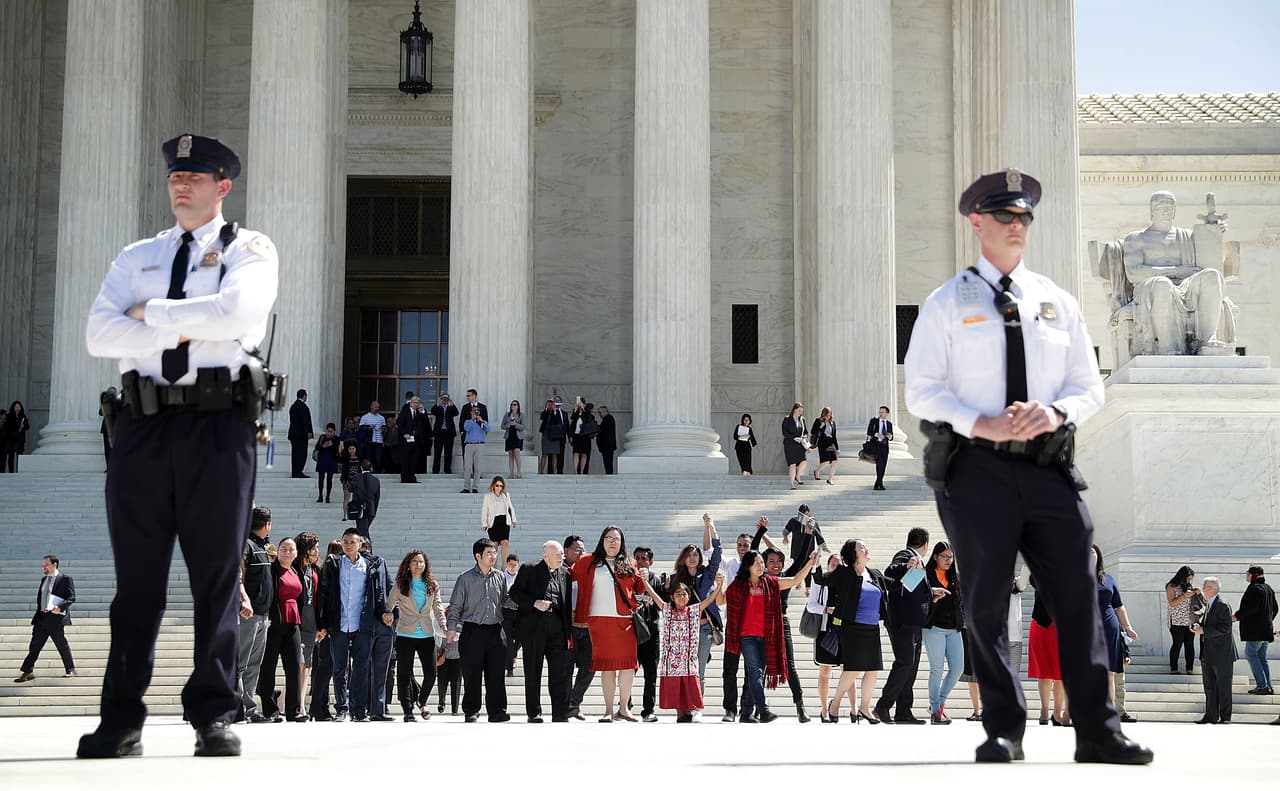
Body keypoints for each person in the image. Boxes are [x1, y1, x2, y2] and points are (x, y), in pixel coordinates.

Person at [904, 167, 1150, 764]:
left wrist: (1055, 411)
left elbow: (1090, 385)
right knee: (986, 600)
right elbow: (921, 391)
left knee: (1077, 594)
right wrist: (978, 421)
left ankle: (1097, 729)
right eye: (1006, 217)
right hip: (976, 469)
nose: (1018, 227)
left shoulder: (1055, 300)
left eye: (1025, 218)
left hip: (1047, 465)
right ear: (977, 223)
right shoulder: (947, 301)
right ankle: (1004, 728)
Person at [80, 133, 277, 759]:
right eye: (174, 177)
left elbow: (237, 317)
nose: (181, 185)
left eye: (195, 176)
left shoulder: (250, 249)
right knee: (136, 582)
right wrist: (191, 316)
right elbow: (96, 335)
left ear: (223, 185)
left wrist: (149, 315)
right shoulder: (136, 254)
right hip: (141, 427)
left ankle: (214, 714)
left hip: (220, 428)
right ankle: (121, 718)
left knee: (216, 577)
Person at [1121, 191, 1228, 354]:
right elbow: (1134, 273)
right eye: (1160, 206)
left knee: (1212, 275)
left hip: (1186, 285)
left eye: (1169, 207)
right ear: (1152, 210)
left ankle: (1208, 341)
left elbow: (1212, 261)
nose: (1165, 210)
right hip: (1150, 288)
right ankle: (1168, 347)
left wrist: (1213, 232)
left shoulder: (1188, 236)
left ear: (1175, 211)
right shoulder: (1136, 238)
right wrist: (1175, 271)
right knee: (1163, 284)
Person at [718, 548, 815, 723]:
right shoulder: (738, 585)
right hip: (746, 636)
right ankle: (763, 711)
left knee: (758, 674)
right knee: (755, 672)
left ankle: (746, 713)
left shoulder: (771, 582)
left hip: (766, 636)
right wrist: (719, 586)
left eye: (762, 562)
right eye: (757, 563)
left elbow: (795, 580)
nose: (761, 565)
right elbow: (720, 601)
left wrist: (810, 563)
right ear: (748, 566)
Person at [570, 525, 645, 721]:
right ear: (602, 540)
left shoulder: (630, 562)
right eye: (609, 538)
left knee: (628, 666)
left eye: (616, 539)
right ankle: (608, 710)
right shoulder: (586, 561)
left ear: (622, 543)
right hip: (599, 621)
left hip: (625, 621)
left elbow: (639, 589)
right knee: (607, 667)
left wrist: (645, 580)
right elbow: (569, 578)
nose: (612, 542)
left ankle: (624, 709)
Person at [318, 528, 392, 723]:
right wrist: (323, 623)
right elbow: (324, 594)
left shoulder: (371, 565)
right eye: (345, 541)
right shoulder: (334, 564)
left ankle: (358, 710)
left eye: (352, 542)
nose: (348, 545)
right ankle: (341, 709)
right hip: (339, 624)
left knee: (360, 668)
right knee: (339, 668)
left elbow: (380, 594)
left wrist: (385, 613)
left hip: (363, 625)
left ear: (360, 544)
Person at [874, 527, 935, 725]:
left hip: (914, 621)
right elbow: (890, 571)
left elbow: (910, 587)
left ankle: (904, 710)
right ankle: (883, 705)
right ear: (925, 544)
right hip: (903, 621)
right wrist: (906, 566)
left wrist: (932, 592)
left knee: (912, 665)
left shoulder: (918, 561)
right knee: (905, 662)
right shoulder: (906, 555)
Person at [823, 540, 889, 724]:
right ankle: (834, 704)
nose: (866, 549)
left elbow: (897, 585)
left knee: (872, 670)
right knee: (853, 669)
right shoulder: (844, 573)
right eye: (862, 547)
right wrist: (813, 567)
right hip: (852, 628)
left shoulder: (874, 574)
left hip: (872, 627)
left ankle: (865, 708)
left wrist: (913, 572)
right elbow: (822, 580)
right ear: (853, 554)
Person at [645, 572, 725, 722]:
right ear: (672, 597)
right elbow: (653, 594)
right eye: (678, 594)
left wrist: (719, 585)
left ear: (689, 597)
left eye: (684, 594)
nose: (681, 597)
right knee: (676, 686)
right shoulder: (667, 610)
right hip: (672, 659)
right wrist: (644, 581)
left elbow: (710, 600)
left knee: (689, 685)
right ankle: (680, 713)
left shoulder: (694, 610)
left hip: (689, 659)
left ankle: (688, 711)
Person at [446, 538, 511, 723]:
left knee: (497, 674)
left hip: (496, 632)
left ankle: (497, 711)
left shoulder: (499, 576)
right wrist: (451, 629)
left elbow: (505, 600)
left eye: (495, 553)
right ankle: (471, 711)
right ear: (478, 556)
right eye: (489, 553)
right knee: (472, 673)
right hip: (472, 631)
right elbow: (455, 606)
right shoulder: (465, 578)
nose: (493, 556)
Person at [509, 540, 573, 722]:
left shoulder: (565, 574)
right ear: (546, 556)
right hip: (534, 630)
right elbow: (514, 593)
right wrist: (534, 603)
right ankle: (534, 712)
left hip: (557, 630)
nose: (562, 557)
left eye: (562, 554)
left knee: (559, 673)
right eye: (558, 554)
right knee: (532, 672)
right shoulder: (529, 569)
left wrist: (568, 632)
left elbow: (566, 604)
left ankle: (560, 713)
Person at [385, 550, 446, 722]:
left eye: (421, 562)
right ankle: (407, 710)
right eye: (414, 562)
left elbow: (438, 607)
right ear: (408, 565)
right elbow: (389, 605)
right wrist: (387, 614)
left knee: (431, 672)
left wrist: (443, 622)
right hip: (405, 632)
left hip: (426, 633)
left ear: (426, 565)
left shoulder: (432, 584)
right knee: (404, 673)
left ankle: (422, 700)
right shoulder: (400, 584)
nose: (418, 565)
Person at [671, 514, 724, 690]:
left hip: (704, 628)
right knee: (684, 669)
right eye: (689, 555)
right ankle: (684, 706)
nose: (693, 558)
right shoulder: (676, 578)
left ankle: (696, 707)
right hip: (684, 628)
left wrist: (710, 526)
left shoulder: (707, 574)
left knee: (699, 670)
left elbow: (717, 553)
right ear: (683, 558)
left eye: (695, 555)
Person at [255, 538, 304, 722]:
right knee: (268, 666)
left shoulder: (296, 570)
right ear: (278, 550)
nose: (287, 552)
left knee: (293, 667)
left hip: (293, 622)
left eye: (291, 549)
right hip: (274, 623)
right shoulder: (271, 570)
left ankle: (294, 710)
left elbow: (300, 596)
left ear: (296, 553)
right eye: (284, 548)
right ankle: (270, 709)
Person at [806, 554, 856, 722]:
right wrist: (827, 609)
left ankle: (854, 709)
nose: (836, 566)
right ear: (828, 566)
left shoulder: (847, 583)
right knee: (825, 672)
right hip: (825, 631)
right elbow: (811, 605)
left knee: (848, 671)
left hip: (846, 631)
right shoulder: (820, 583)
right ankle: (824, 710)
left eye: (839, 564)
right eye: (833, 563)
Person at [236, 507, 274, 723]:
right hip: (248, 614)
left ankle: (249, 708)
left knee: (253, 664)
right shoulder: (246, 545)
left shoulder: (262, 546)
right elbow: (238, 575)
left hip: (262, 614)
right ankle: (237, 707)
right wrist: (245, 599)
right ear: (267, 523)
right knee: (241, 663)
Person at [15, 555, 77, 683]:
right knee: (34, 646)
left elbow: (71, 597)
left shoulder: (65, 579)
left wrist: (60, 607)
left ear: (54, 565)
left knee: (61, 645)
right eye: (43, 565)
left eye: (46, 564)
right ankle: (28, 671)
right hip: (42, 618)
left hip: (55, 619)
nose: (44, 567)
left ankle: (70, 669)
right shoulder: (44, 579)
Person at [921, 541, 964, 724]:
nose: (948, 560)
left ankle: (938, 704)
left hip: (953, 628)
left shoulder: (955, 576)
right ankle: (936, 711)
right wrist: (932, 596)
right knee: (936, 669)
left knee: (957, 669)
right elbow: (910, 590)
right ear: (935, 557)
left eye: (951, 557)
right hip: (934, 628)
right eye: (945, 556)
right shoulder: (925, 574)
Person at [1091, 545, 1138, 710]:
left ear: (1099, 557)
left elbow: (1119, 606)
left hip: (1110, 628)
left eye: (1092, 552)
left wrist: (1128, 627)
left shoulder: (1109, 579)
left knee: (1109, 673)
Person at [1192, 576, 1236, 724]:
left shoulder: (1222, 605)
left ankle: (1225, 717)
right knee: (1209, 686)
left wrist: (1204, 630)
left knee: (1223, 686)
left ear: (1210, 589)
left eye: (1204, 587)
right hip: (1208, 653)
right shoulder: (1208, 604)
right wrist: (1198, 627)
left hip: (1222, 653)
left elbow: (1226, 628)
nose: (1202, 589)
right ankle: (1210, 715)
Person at [308, 538, 342, 721]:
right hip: (330, 626)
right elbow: (324, 600)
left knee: (325, 667)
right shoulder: (329, 569)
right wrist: (324, 625)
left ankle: (321, 706)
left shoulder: (323, 569)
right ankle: (318, 706)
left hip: (329, 625)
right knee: (326, 666)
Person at [1027, 578, 1068, 726]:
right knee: (1044, 671)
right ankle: (1044, 710)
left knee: (1060, 673)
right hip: (1041, 624)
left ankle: (1057, 713)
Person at [292, 532, 322, 721]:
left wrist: (321, 624)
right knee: (299, 664)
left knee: (307, 667)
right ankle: (299, 706)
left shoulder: (315, 570)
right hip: (297, 622)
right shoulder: (293, 569)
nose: (317, 551)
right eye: (314, 547)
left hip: (312, 623)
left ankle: (300, 704)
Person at [563, 534, 593, 720]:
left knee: (590, 666)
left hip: (588, 626)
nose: (580, 553)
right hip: (569, 628)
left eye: (583, 550)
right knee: (566, 668)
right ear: (566, 551)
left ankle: (574, 702)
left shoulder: (588, 569)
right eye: (576, 549)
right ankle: (567, 705)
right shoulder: (560, 570)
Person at [631, 546, 662, 721]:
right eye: (638, 558)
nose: (641, 561)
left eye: (644, 558)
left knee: (650, 674)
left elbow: (664, 605)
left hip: (651, 633)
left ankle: (648, 710)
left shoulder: (656, 580)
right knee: (628, 671)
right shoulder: (628, 579)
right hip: (632, 633)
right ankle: (625, 705)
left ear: (651, 562)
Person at [1236, 565, 1277, 695]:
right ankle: (1267, 685)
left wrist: (1237, 616)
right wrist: (1267, 621)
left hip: (1255, 631)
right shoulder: (1268, 588)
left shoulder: (1254, 589)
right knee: (1261, 657)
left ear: (1253, 575)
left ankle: (1262, 685)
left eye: (1248, 574)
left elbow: (1251, 608)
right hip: (1266, 630)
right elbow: (1275, 608)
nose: (1246, 576)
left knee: (1250, 654)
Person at [1166, 565, 1199, 674]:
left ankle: (1189, 668)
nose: (1189, 580)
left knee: (1190, 644)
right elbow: (1172, 603)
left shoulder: (1189, 586)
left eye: (1191, 579)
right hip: (1176, 621)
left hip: (1189, 621)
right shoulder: (1171, 586)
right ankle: (1173, 668)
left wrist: (1196, 592)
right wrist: (1185, 596)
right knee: (1177, 643)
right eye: (1188, 578)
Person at [482, 476, 519, 566]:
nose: (499, 488)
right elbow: (484, 510)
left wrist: (514, 520)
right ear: (493, 486)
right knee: (494, 545)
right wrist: (484, 523)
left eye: (501, 486)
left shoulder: (506, 495)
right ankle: (494, 566)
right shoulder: (488, 496)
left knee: (505, 542)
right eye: (497, 485)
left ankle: (504, 566)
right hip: (493, 522)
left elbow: (510, 508)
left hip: (504, 521)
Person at [347, 460, 381, 546]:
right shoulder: (376, 480)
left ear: (361, 467)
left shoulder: (357, 477)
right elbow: (377, 498)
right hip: (371, 509)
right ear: (371, 468)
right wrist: (374, 511)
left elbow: (349, 489)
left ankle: (368, 551)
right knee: (362, 531)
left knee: (363, 533)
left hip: (360, 509)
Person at [396, 396, 430, 484]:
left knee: (414, 460)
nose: (416, 405)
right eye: (414, 403)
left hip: (416, 440)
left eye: (417, 403)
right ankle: (404, 478)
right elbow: (399, 423)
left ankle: (412, 477)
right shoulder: (405, 411)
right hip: (406, 440)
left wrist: (423, 412)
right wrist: (404, 433)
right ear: (410, 403)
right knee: (405, 459)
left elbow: (425, 424)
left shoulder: (419, 413)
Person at [460, 408, 489, 494]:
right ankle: (466, 487)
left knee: (477, 467)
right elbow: (466, 428)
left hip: (479, 445)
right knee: (467, 467)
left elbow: (488, 429)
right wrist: (473, 419)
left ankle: (475, 487)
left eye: (477, 412)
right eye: (474, 411)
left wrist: (481, 421)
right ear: (471, 412)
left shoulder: (482, 422)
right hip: (469, 445)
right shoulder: (468, 421)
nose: (476, 413)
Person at [866, 406, 894, 490]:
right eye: (880, 412)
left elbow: (892, 437)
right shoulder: (874, 421)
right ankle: (879, 483)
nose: (881, 414)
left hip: (885, 447)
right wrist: (878, 434)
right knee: (880, 465)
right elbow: (869, 432)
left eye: (883, 412)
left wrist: (890, 436)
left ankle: (878, 483)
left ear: (887, 414)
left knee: (883, 465)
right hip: (876, 446)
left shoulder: (889, 424)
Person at [781, 402, 808, 489]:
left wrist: (805, 437)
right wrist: (793, 438)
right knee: (792, 464)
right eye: (799, 411)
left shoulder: (802, 419)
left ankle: (798, 476)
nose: (801, 412)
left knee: (804, 461)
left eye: (801, 411)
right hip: (789, 444)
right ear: (794, 410)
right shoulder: (787, 419)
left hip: (800, 444)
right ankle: (792, 484)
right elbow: (784, 433)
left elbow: (806, 431)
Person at [287, 389, 314, 478]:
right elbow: (305, 421)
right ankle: (298, 471)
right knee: (301, 454)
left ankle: (295, 471)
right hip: (301, 435)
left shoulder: (293, 406)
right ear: (304, 396)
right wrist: (309, 432)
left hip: (293, 434)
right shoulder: (303, 407)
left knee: (294, 454)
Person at [809, 407, 839, 484]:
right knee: (825, 461)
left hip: (830, 443)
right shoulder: (818, 421)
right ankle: (817, 471)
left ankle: (830, 479)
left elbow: (834, 436)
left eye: (829, 415)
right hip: (822, 443)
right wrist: (820, 427)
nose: (828, 417)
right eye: (827, 415)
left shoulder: (832, 423)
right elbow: (813, 432)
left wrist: (837, 448)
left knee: (835, 461)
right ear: (823, 414)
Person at [430, 393, 458, 474]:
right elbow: (433, 411)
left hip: (449, 434)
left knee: (448, 452)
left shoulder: (450, 407)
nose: (445, 400)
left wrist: (452, 404)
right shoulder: (438, 407)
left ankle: (447, 469)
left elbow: (456, 413)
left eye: (446, 399)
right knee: (437, 452)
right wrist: (438, 403)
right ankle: (435, 470)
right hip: (439, 433)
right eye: (443, 399)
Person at [313, 423, 341, 503]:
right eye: (328, 431)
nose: (329, 433)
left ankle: (328, 496)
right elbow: (317, 447)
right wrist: (323, 446)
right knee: (321, 479)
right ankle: (320, 496)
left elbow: (338, 450)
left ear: (334, 431)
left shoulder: (337, 439)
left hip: (331, 460)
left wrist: (332, 445)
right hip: (322, 460)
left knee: (329, 479)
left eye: (331, 431)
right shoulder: (322, 437)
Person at [569, 397, 598, 474]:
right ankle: (575, 471)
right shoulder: (575, 413)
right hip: (576, 436)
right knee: (576, 453)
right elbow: (572, 424)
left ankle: (581, 471)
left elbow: (589, 419)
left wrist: (584, 410)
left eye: (581, 403)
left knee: (584, 454)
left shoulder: (587, 413)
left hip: (585, 436)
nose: (579, 405)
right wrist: (570, 436)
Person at [540, 397, 569, 474]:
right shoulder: (547, 411)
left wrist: (555, 411)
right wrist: (547, 408)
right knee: (545, 453)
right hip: (547, 433)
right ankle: (542, 471)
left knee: (554, 453)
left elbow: (558, 421)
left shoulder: (559, 412)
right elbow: (542, 418)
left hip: (555, 434)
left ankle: (554, 472)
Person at [1, 400, 30, 473]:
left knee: (19, 456)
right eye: (16, 407)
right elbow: (7, 427)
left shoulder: (23, 416)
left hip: (20, 439)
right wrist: (17, 425)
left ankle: (18, 471)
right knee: (11, 456)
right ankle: (11, 472)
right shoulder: (9, 416)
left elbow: (27, 426)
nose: (18, 408)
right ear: (13, 408)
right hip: (11, 439)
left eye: (19, 407)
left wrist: (23, 426)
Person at [357, 401, 386, 473]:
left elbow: (384, 428)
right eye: (376, 407)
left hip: (379, 441)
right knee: (368, 458)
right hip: (368, 441)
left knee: (378, 458)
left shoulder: (382, 418)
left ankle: (378, 472)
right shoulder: (365, 417)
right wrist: (368, 427)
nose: (377, 408)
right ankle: (368, 472)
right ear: (371, 407)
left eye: (378, 407)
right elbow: (361, 429)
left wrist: (384, 430)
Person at [501, 400, 525, 478]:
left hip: (517, 435)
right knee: (510, 454)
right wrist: (507, 425)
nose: (513, 406)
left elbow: (523, 427)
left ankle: (519, 472)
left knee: (517, 452)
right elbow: (502, 426)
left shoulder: (522, 415)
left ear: (518, 406)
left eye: (515, 405)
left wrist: (516, 424)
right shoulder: (507, 415)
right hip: (509, 435)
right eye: (512, 405)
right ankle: (511, 473)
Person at [338, 443, 362, 521]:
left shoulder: (359, 458)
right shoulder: (345, 459)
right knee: (346, 498)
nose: (351, 450)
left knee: (357, 498)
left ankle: (357, 513)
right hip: (347, 480)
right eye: (350, 449)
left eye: (353, 449)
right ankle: (345, 515)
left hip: (357, 481)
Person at [596, 405, 618, 474]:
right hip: (608, 446)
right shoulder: (608, 419)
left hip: (607, 446)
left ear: (605, 412)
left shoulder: (608, 419)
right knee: (608, 462)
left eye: (600, 412)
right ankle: (609, 473)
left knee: (607, 462)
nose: (599, 414)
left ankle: (609, 474)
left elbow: (602, 430)